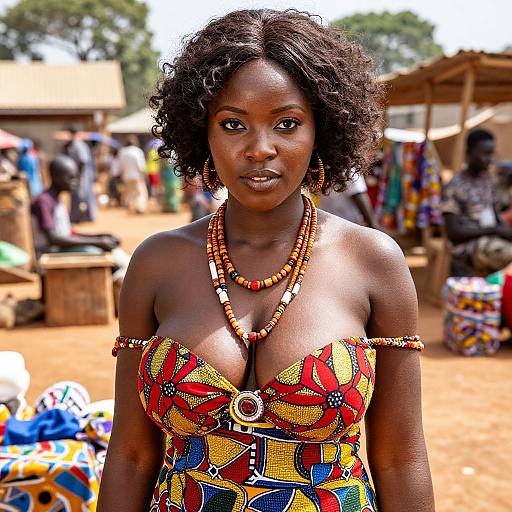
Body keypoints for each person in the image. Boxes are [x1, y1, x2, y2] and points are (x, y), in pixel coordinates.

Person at [98, 9, 434, 512]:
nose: (260, 149)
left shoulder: (372, 261)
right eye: (233, 124)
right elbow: (130, 455)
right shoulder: (157, 263)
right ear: (201, 134)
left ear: (321, 131)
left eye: (287, 124)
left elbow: (399, 459)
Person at [31, 155, 129, 273]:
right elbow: (54, 239)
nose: (75, 182)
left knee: (114, 254)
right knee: (100, 256)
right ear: (56, 177)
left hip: (61, 247)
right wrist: (98, 242)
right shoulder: (44, 201)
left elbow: (68, 234)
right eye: (71, 177)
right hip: (50, 252)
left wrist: (101, 237)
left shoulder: (55, 199)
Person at [442, 129, 512, 273]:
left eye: (492, 153)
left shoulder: (487, 180)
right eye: (485, 153)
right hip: (468, 247)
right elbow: (453, 233)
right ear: (469, 154)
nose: (490, 159)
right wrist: (493, 230)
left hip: (492, 239)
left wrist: (503, 230)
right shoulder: (455, 187)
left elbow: (495, 215)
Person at [66, 127, 97, 223]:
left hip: (82, 174)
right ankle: (82, 216)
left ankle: (82, 217)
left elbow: (82, 161)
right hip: (83, 174)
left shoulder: (77, 144)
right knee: (84, 195)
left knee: (82, 195)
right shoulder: (78, 144)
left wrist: (77, 174)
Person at [119, 135, 148, 214]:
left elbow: (121, 165)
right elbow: (141, 165)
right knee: (140, 193)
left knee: (130, 193)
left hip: (126, 176)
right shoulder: (137, 151)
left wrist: (122, 174)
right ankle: (139, 208)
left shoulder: (122, 152)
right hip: (137, 176)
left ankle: (130, 206)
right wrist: (144, 174)